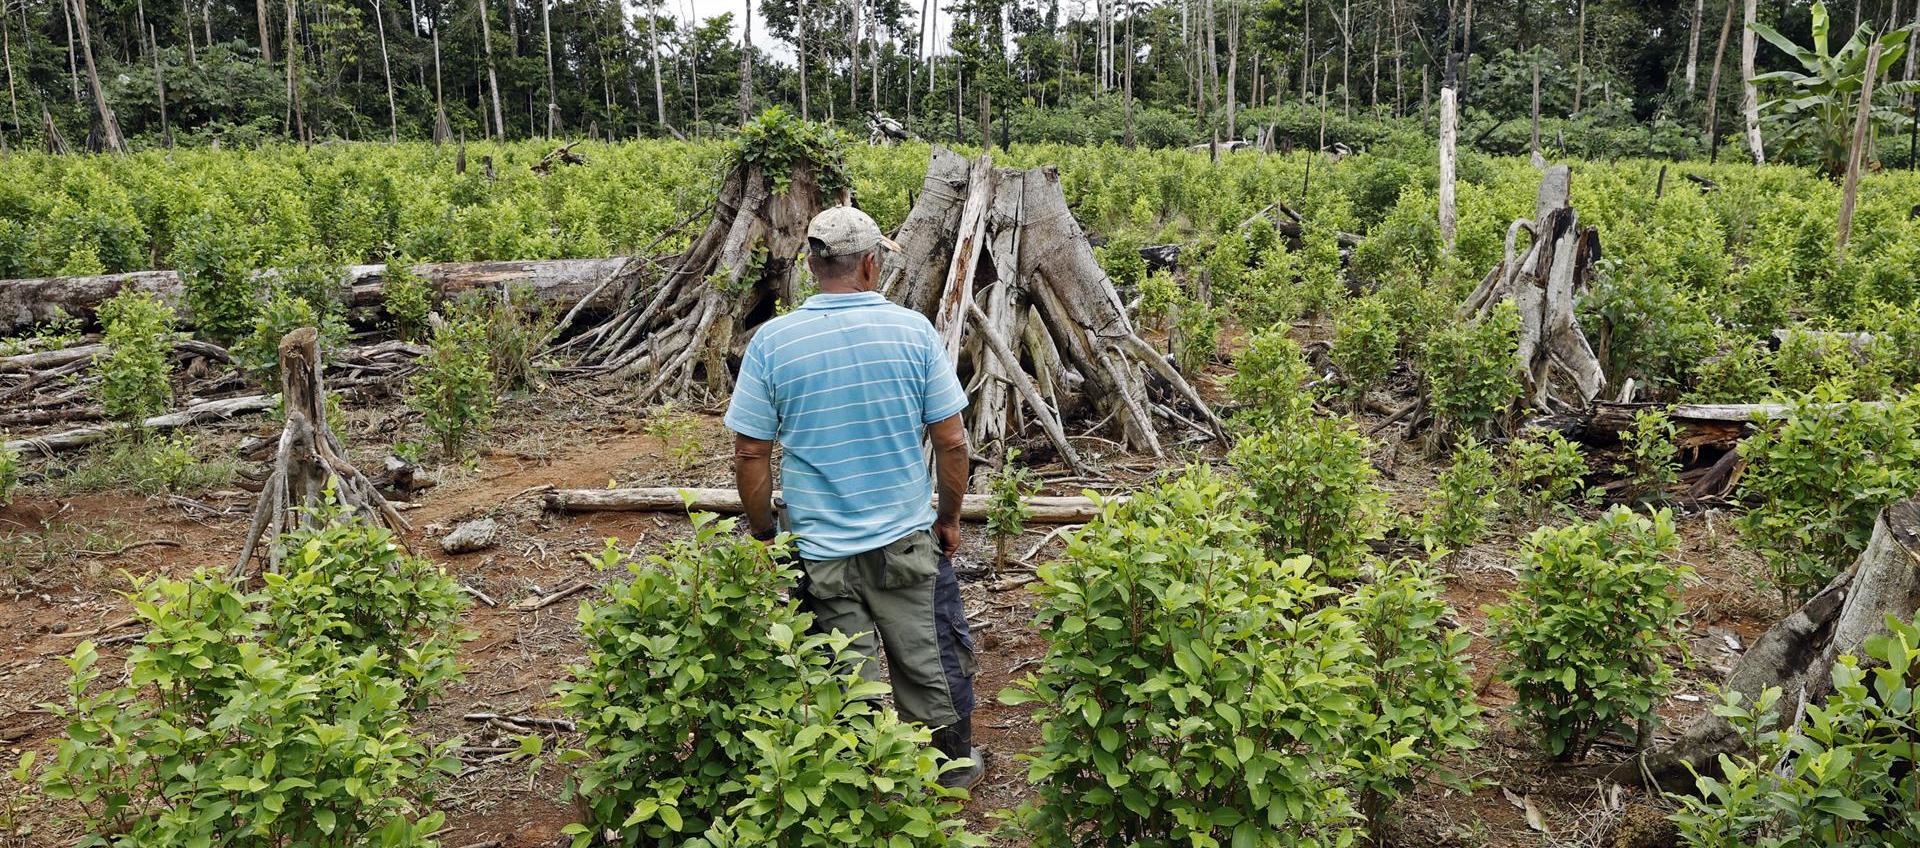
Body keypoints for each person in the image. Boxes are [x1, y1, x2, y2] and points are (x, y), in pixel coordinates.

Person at [724, 205, 985, 790]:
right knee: (932, 658)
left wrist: (766, 533)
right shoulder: (913, 331)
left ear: (813, 265)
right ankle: (951, 770)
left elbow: (749, 454)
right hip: (906, 540)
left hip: (819, 549)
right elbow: (951, 443)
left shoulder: (774, 342)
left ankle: (867, 784)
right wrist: (948, 518)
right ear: (871, 263)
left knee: (845, 675)